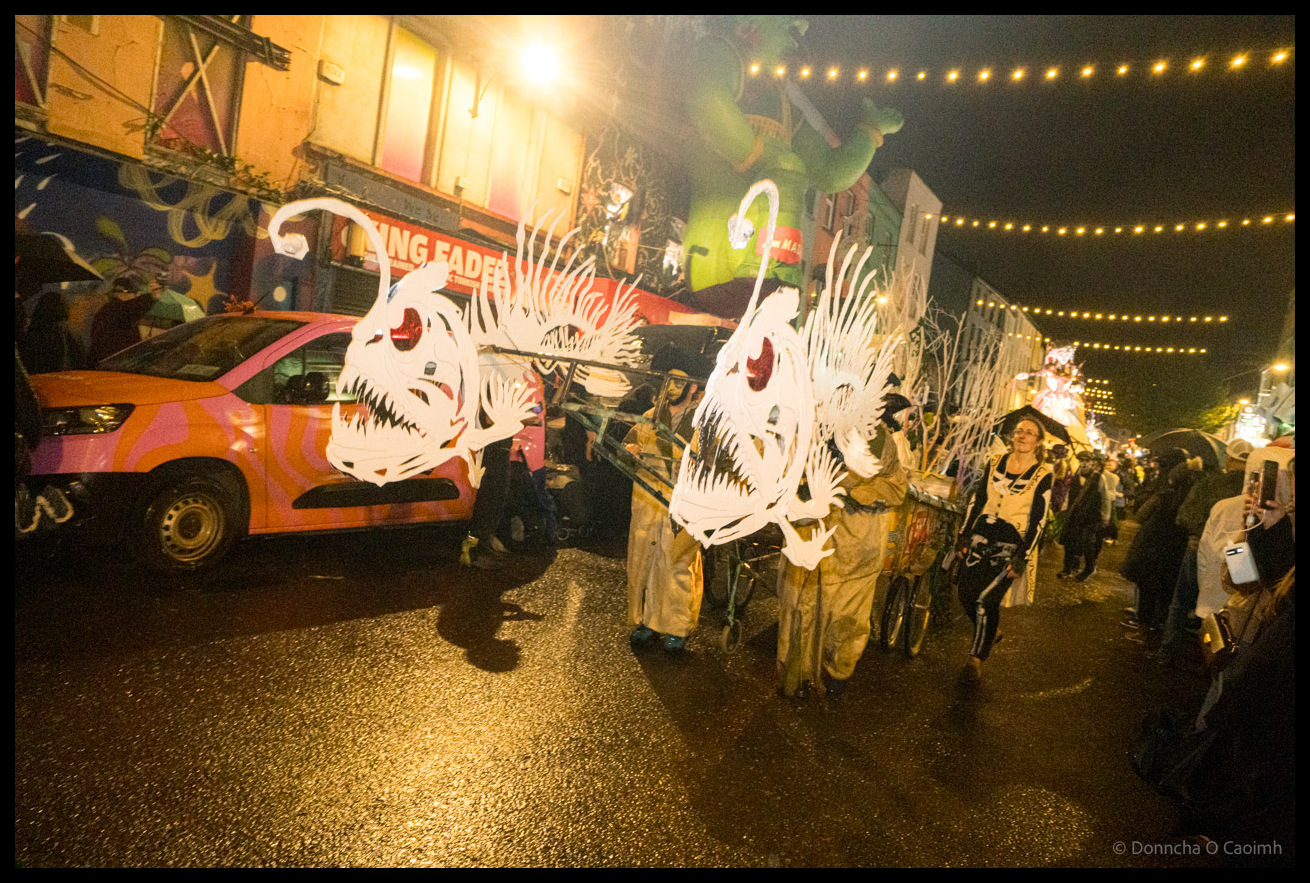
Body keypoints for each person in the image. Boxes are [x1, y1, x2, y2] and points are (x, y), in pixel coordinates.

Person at [775, 393, 911, 699]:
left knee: (844, 616)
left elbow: (895, 487)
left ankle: (838, 670)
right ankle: (797, 676)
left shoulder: (880, 443)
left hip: (853, 544)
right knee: (798, 607)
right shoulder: (811, 432)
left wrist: (853, 491)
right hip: (808, 534)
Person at [953, 417, 1053, 685]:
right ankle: (991, 631)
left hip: (1010, 546)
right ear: (1012, 436)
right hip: (980, 537)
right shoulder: (995, 461)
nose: (1022, 436)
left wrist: (1022, 557)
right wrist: (964, 534)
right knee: (965, 593)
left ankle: (976, 659)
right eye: (1019, 431)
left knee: (986, 600)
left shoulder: (1043, 474)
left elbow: (1038, 519)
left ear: (1039, 441)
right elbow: (978, 499)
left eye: (1030, 433)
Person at [625, 369, 704, 653]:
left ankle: (676, 626)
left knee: (676, 565)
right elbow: (626, 447)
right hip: (647, 503)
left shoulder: (701, 423)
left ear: (693, 386)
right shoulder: (648, 417)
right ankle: (647, 621)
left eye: (679, 382)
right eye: (668, 381)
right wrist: (630, 451)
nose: (672, 388)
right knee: (644, 561)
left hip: (681, 505)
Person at [1156, 438, 1253, 665]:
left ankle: (1168, 651)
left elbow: (1184, 517)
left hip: (1200, 548)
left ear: (1229, 458)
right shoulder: (1253, 497)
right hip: (1239, 557)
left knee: (1182, 602)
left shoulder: (1211, 484)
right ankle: (1214, 657)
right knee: (1228, 608)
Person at [1120, 449, 1202, 640]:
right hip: (1176, 550)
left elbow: (1140, 515)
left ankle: (1144, 626)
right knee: (1167, 591)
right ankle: (1158, 627)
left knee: (1148, 585)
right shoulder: (1192, 495)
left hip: (1153, 545)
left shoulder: (1164, 494)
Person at [1057, 451, 1110, 581]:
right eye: (1081, 460)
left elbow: (1105, 498)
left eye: (1087, 460)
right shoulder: (1075, 477)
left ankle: (1089, 569)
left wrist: (1105, 516)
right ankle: (1067, 568)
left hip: (1091, 517)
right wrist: (1063, 509)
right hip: (1075, 515)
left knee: (1087, 543)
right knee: (1069, 541)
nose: (1084, 463)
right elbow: (1069, 495)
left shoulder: (1099, 478)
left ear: (1093, 463)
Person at [87, 274, 158, 365]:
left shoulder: (111, 310)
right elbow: (132, 308)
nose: (135, 297)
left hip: (109, 364)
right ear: (122, 292)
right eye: (135, 294)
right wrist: (151, 296)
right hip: (110, 366)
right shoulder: (115, 309)